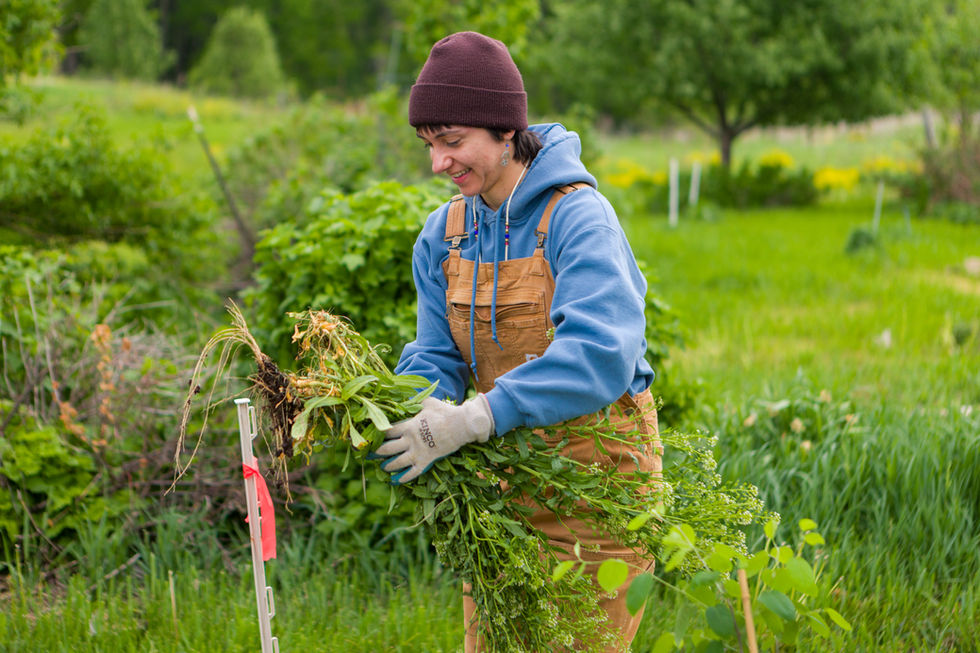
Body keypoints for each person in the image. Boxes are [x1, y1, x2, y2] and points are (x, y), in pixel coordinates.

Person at [374, 31, 661, 652]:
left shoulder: (577, 218)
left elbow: (599, 354)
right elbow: (436, 351)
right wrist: (420, 407)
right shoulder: (443, 233)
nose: (438, 164)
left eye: (453, 143)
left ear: (506, 131)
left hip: (599, 484)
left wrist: (477, 415)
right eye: (429, 145)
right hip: (502, 482)